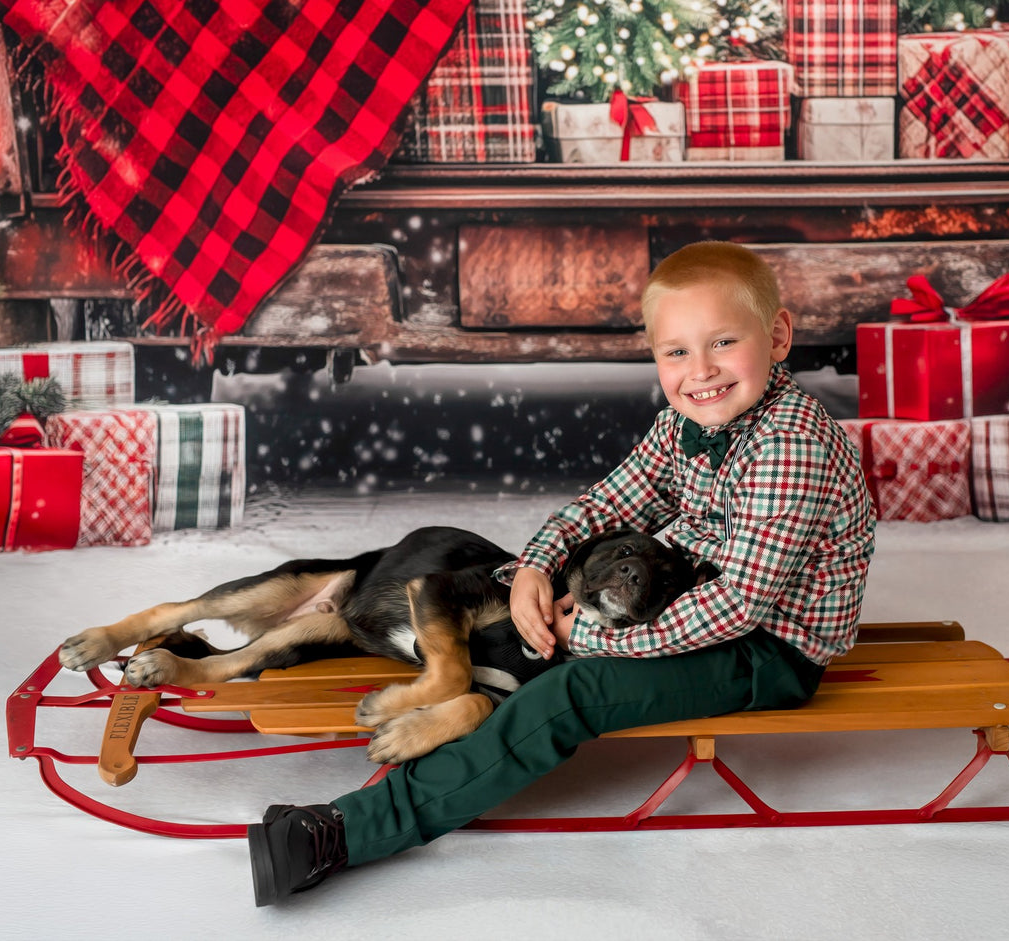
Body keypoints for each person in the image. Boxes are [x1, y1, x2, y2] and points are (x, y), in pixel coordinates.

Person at [247, 241, 877, 905]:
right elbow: (607, 502)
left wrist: (594, 638)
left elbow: (738, 605)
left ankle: (343, 834)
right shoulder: (684, 422)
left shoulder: (789, 443)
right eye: (676, 351)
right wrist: (536, 568)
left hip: (764, 648)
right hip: (692, 595)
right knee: (520, 612)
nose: (701, 370)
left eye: (723, 341)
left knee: (571, 691)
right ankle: (437, 698)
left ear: (777, 335)